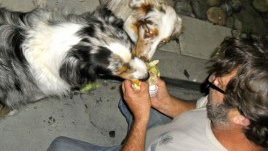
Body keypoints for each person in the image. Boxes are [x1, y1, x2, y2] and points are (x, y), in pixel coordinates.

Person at [47, 36, 268, 151]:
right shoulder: (233, 113)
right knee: (134, 94)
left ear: (242, 118)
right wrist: (165, 103)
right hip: (162, 135)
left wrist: (141, 120)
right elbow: (203, 110)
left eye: (220, 84)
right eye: (218, 73)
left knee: (60, 147)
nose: (210, 80)